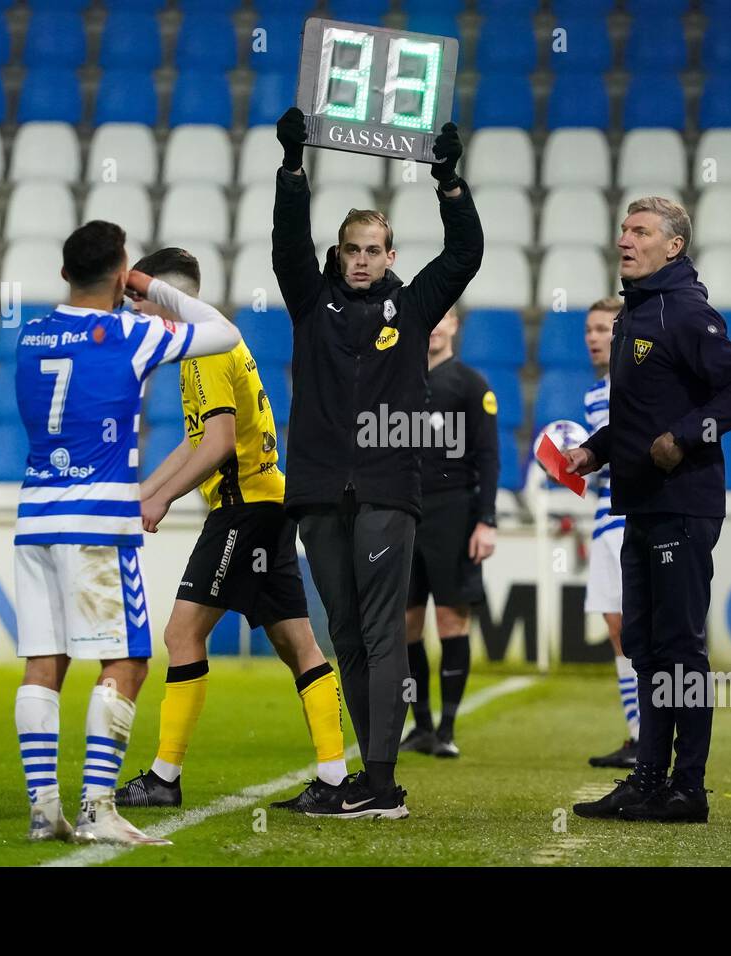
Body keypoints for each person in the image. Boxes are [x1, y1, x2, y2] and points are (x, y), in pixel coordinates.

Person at [271, 107, 484, 818]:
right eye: (351, 249)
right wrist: (293, 171)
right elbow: (285, 246)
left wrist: (448, 184)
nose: (361, 258)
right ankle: (370, 778)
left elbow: (465, 256)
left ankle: (384, 781)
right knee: (348, 634)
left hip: (390, 492)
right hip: (318, 494)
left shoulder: (414, 310)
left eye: (374, 249)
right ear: (339, 255)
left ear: (392, 256)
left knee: (384, 629)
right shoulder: (310, 305)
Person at [12, 221, 241, 845]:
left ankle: (41, 810)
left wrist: (119, 282)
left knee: (44, 661)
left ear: (63, 274)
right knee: (129, 661)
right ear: (120, 274)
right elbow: (224, 332)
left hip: (35, 519)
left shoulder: (29, 336)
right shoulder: (130, 333)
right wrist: (145, 286)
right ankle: (97, 807)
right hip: (99, 523)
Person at [108, 248, 348, 815]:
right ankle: (335, 778)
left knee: (182, 634)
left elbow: (216, 447)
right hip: (266, 504)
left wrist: (159, 500)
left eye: (140, 302)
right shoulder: (210, 339)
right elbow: (199, 442)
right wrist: (143, 493)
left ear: (165, 299)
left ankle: (166, 776)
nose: (136, 316)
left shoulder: (204, 349)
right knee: (299, 643)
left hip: (244, 511)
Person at [564, 197, 731, 825]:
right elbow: (633, 414)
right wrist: (593, 452)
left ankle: (689, 788)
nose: (626, 238)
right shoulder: (633, 315)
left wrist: (685, 435)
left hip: (683, 505)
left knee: (680, 648)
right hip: (641, 504)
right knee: (647, 646)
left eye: (641, 231)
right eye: (625, 228)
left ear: (672, 246)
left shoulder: (686, 312)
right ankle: (648, 782)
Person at [400, 306, 499, 760]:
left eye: (444, 318)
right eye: (430, 318)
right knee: (405, 625)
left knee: (452, 620)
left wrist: (487, 520)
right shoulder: (399, 379)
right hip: (404, 515)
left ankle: (447, 728)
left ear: (456, 325)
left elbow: (489, 458)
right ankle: (420, 724)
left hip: (454, 514)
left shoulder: (471, 385)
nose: (435, 325)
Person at [582, 297, 641, 769]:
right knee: (616, 630)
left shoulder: (635, 386)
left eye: (603, 329)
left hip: (630, 520)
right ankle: (637, 734)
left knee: (640, 630)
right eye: (590, 331)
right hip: (603, 520)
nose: (595, 338)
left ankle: (656, 736)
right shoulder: (592, 395)